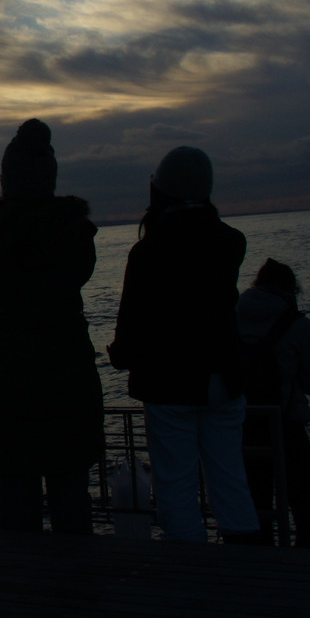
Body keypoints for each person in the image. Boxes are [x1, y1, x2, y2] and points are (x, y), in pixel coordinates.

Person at [107, 146, 261, 543]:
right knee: (230, 476)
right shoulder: (231, 242)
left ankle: (188, 562)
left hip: (168, 381)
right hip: (224, 376)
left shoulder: (148, 251)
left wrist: (121, 355)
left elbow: (133, 318)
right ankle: (247, 558)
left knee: (175, 482)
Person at [0, 119, 102, 534]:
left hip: (10, 379)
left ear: (8, 179)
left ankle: (21, 568)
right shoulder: (75, 233)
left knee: (17, 483)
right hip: (68, 372)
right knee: (70, 479)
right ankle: (78, 567)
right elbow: (79, 274)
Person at [237, 258, 310, 549]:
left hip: (240, 424)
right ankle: (307, 562)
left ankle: (259, 561)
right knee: (307, 505)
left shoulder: (230, 319)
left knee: (254, 505)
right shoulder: (300, 326)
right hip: (286, 424)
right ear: (292, 289)